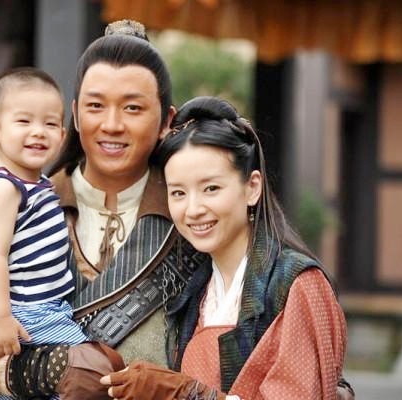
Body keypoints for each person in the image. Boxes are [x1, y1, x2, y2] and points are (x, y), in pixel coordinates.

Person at [0, 20, 354, 400]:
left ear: (165, 121)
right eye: (95, 106)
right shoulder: (19, 209)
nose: (112, 125)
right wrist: (48, 370)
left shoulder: (194, 225)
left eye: (133, 108)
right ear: (75, 116)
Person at [100, 96, 350, 399]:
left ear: (252, 187)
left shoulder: (296, 284)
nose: (193, 209)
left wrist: (185, 393)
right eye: (178, 193)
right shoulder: (194, 288)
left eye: (211, 188)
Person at [0, 67, 124, 400]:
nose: (38, 132)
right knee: (91, 371)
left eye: (50, 124)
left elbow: (17, 232)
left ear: (63, 134)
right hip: (27, 311)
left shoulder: (36, 183)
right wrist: (1, 318)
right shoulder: (6, 188)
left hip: (48, 308)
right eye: (24, 121)